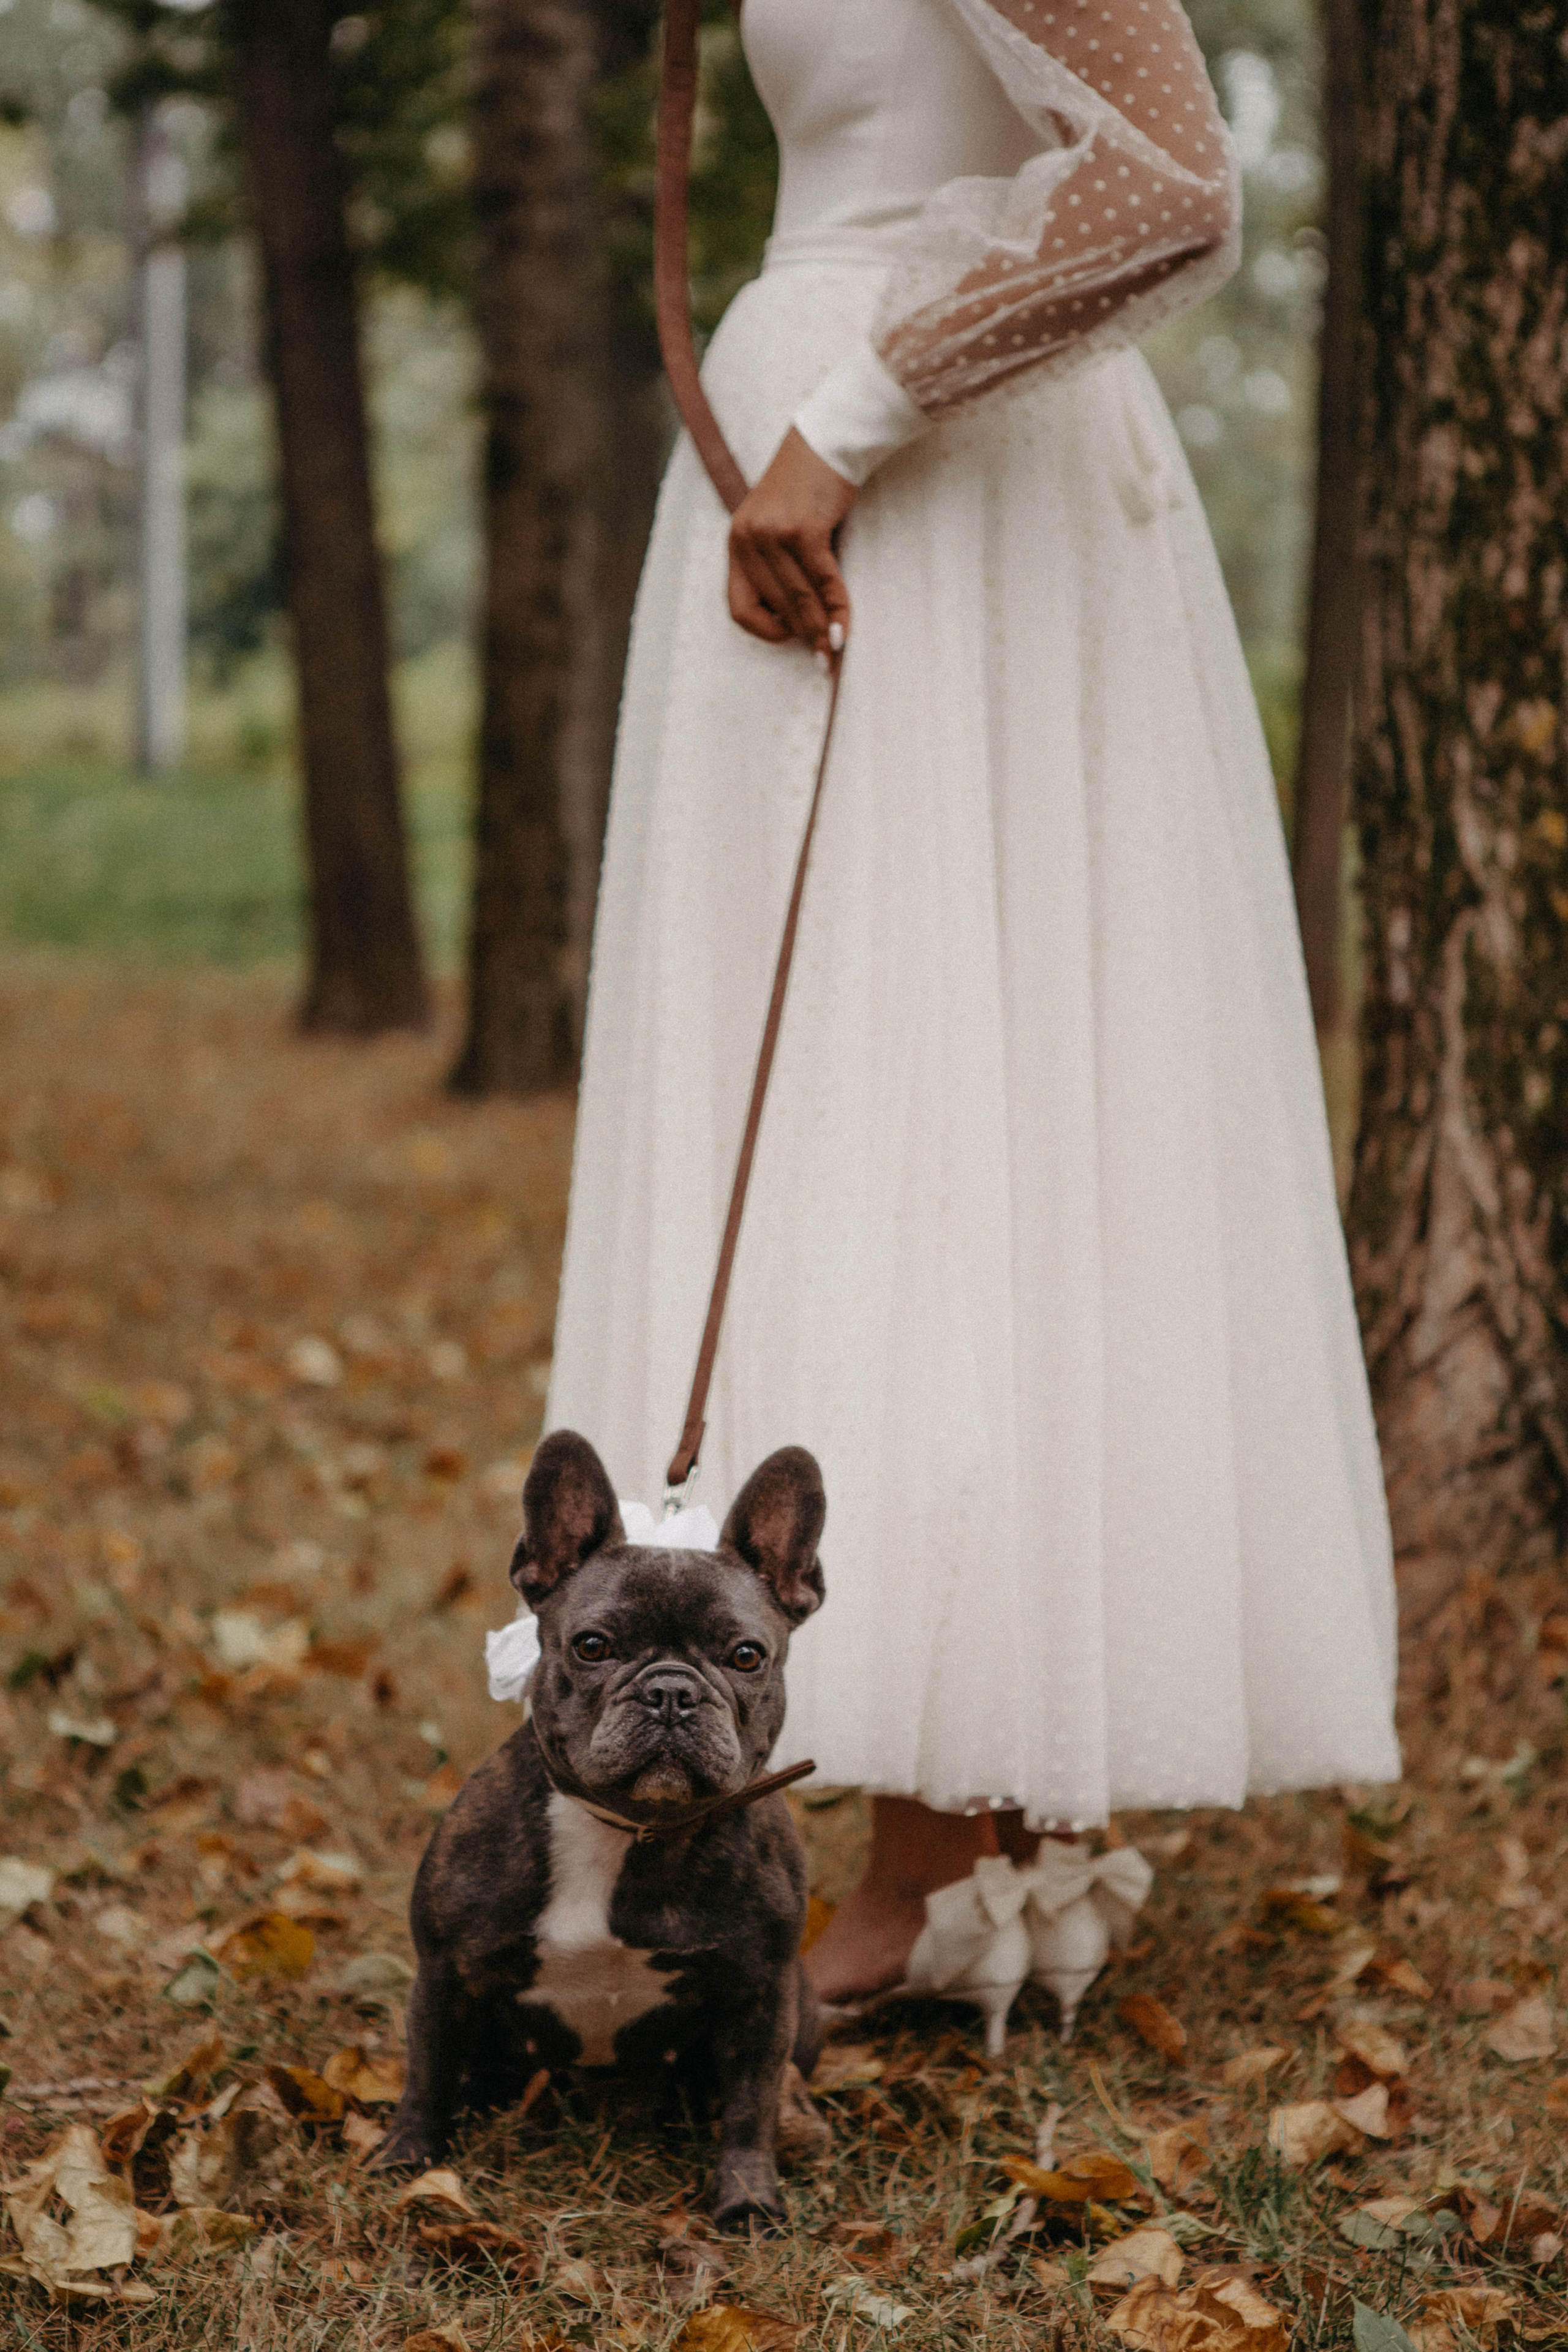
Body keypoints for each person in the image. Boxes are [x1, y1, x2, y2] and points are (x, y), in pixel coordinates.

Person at [544, 0, 1401, 2002]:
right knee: (906, 1106)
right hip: (864, 476)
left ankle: (941, 1855)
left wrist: (845, 421)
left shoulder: (867, 419)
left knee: (912, 1111)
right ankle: (1001, 1843)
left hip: (909, 492)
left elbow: (1168, 180)